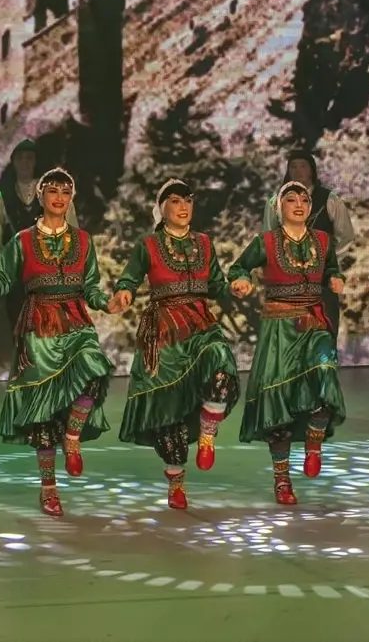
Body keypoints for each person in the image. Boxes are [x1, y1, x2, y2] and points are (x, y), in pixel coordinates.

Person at [0, 167, 116, 517]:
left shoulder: (83, 241)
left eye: (66, 192)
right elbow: (1, 283)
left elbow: (91, 286)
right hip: (39, 328)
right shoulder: (22, 241)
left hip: (75, 322)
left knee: (94, 370)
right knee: (43, 412)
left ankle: (73, 437)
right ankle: (48, 489)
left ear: (71, 199)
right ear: (40, 197)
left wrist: (107, 302)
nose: (59, 197)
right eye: (52, 190)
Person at [109, 180, 239, 510]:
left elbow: (217, 284)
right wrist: (124, 292)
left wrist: (235, 287)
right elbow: (129, 278)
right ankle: (176, 484)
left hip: (199, 324)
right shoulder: (149, 245)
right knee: (168, 415)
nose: (183, 207)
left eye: (188, 200)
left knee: (219, 361)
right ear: (162, 208)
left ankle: (208, 432)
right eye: (175, 201)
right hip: (164, 331)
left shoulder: (204, 243)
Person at [230, 180, 346, 505]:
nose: (299, 204)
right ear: (279, 207)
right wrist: (241, 280)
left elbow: (332, 269)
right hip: (279, 330)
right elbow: (238, 267)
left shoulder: (322, 240)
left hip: (313, 322)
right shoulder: (266, 242)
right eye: (291, 199)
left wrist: (336, 278)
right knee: (277, 404)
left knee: (325, 372)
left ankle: (314, 441)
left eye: (304, 200)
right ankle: (282, 479)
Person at [261, 150, 353, 336]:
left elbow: (345, 235)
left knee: (324, 328)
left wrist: (328, 260)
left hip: (321, 278)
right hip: (287, 278)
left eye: (303, 166)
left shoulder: (330, 200)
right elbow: (268, 237)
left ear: (312, 170)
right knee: (289, 333)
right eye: (293, 167)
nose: (298, 171)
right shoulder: (275, 202)